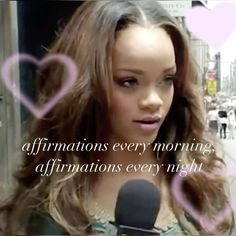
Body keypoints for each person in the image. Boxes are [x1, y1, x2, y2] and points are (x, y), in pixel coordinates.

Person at [0, 1, 234, 235]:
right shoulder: (50, 201)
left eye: (167, 79)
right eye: (129, 81)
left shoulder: (198, 181)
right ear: (87, 87)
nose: (154, 100)